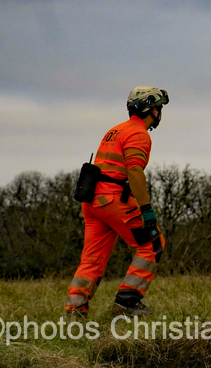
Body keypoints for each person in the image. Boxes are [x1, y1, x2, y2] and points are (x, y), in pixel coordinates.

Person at [64, 87, 168, 317]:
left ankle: (75, 310)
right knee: (153, 242)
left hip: (92, 202)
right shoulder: (139, 134)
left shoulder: (114, 130)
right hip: (113, 200)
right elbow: (134, 171)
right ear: (152, 110)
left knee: (92, 258)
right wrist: (146, 209)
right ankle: (128, 302)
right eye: (159, 109)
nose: (160, 113)